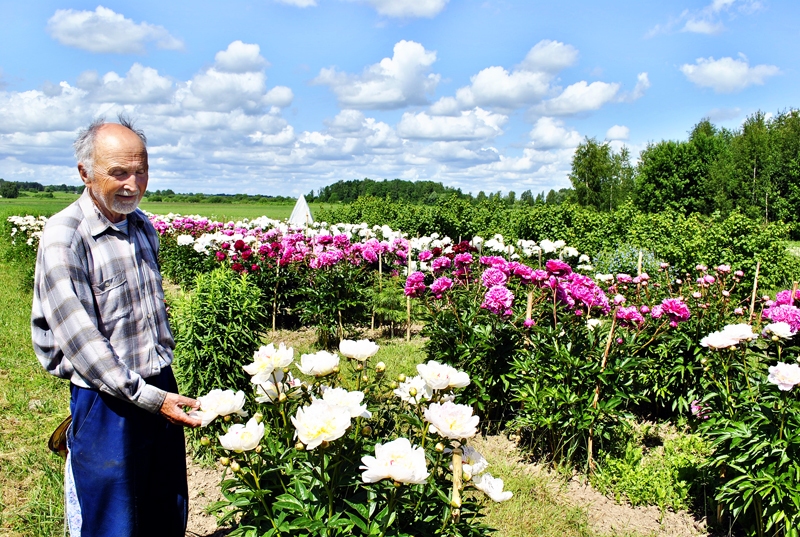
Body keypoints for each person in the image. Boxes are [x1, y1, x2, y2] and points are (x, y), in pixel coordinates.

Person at [31, 116, 202, 537]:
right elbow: (85, 345)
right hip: (106, 402)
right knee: (114, 521)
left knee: (165, 508)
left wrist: (161, 387)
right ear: (85, 173)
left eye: (140, 170)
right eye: (119, 172)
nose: (133, 183)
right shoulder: (65, 236)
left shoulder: (143, 226)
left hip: (157, 382)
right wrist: (151, 399)